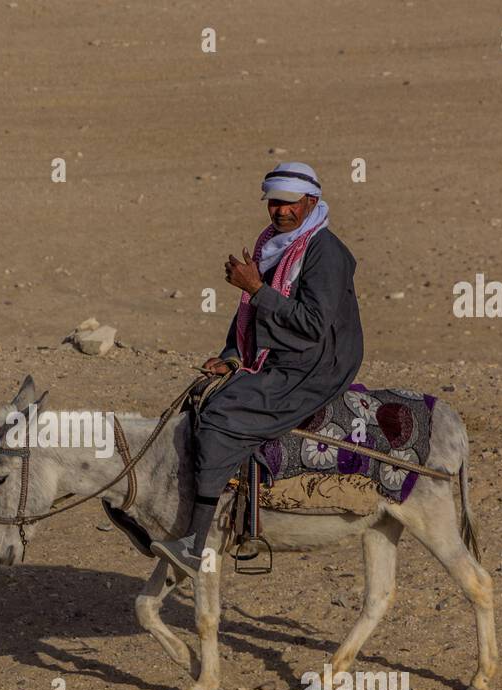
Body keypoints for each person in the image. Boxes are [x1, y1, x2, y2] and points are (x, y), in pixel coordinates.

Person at [151, 162, 364, 577]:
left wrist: (255, 288)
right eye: (274, 203)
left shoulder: (325, 252)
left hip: (318, 363)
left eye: (289, 204)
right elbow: (250, 314)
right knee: (202, 394)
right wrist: (231, 354)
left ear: (311, 203)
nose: (280, 211)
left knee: (222, 415)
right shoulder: (276, 244)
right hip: (284, 353)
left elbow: (313, 324)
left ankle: (198, 544)